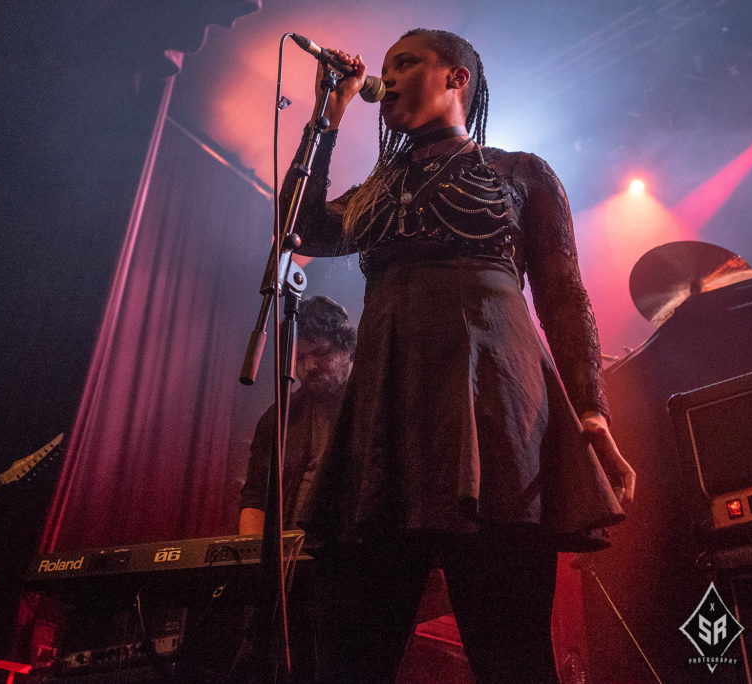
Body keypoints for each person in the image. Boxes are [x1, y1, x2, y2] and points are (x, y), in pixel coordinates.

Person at [281, 29, 638, 683]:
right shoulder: (376, 190)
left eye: (407, 62)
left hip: (497, 418)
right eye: (385, 67)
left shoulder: (521, 171)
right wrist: (325, 124)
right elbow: (300, 230)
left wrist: (591, 418)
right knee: (347, 653)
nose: (387, 77)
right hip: (386, 428)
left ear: (457, 79)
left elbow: (564, 297)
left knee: (512, 654)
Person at [238, 295, 357, 536]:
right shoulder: (279, 417)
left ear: (348, 348)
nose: (311, 366)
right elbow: (255, 498)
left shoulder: (373, 402)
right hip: (292, 558)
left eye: (321, 352)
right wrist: (251, 563)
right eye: (300, 358)